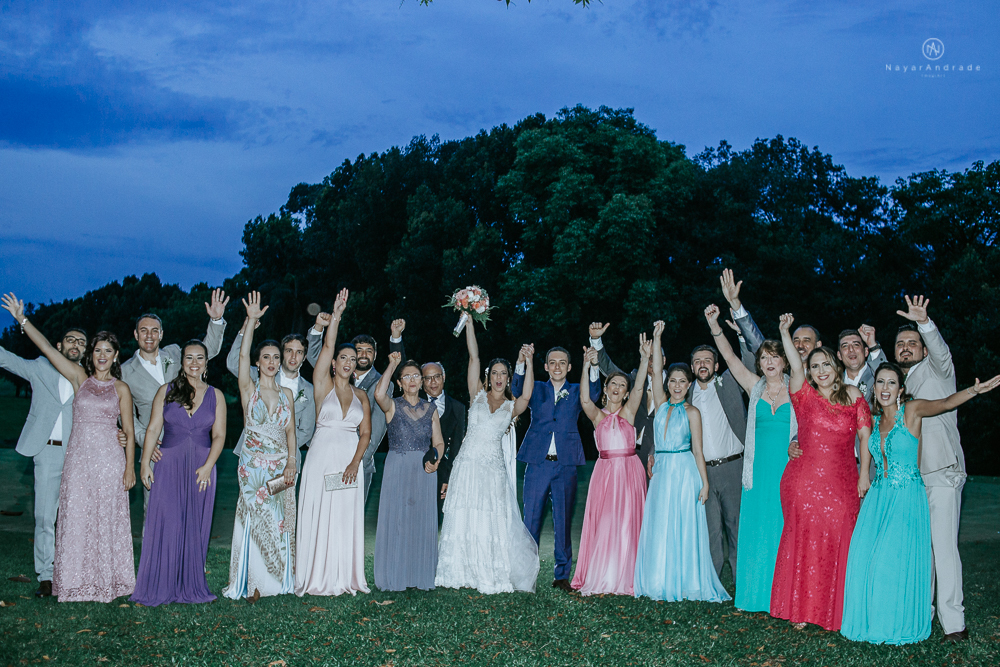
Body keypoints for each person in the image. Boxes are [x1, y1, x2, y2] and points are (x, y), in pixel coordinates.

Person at [841, 363, 1000, 645]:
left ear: (901, 390)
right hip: (878, 497)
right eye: (880, 382)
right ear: (874, 388)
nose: (885, 388)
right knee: (863, 558)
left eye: (892, 383)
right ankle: (873, 619)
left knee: (888, 561)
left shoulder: (911, 411)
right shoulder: (873, 421)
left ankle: (898, 622)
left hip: (906, 496)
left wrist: (974, 391)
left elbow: (946, 402)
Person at [2, 293, 137, 603]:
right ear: (88, 354)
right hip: (70, 457)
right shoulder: (80, 378)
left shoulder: (120, 387)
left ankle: (105, 579)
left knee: (101, 518)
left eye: (108, 350)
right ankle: (59, 579)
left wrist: (129, 463)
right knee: (63, 518)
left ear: (115, 355)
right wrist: (22, 319)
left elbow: (128, 429)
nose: (101, 355)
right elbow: (47, 348)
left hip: (105, 459)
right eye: (97, 350)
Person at [770, 313, 872, 631]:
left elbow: (866, 437)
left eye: (825, 364)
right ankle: (800, 608)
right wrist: (785, 332)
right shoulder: (804, 395)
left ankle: (833, 611)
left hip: (842, 481)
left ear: (836, 366)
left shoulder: (854, 396)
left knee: (838, 540)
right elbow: (794, 364)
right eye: (815, 366)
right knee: (804, 541)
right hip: (803, 481)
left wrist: (864, 473)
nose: (820, 371)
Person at [436, 319, 539, 594]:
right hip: (467, 465)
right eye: (494, 372)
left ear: (507, 378)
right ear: (488, 375)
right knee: (465, 515)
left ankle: (488, 569)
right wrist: (469, 322)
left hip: (493, 470)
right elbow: (473, 355)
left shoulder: (510, 407)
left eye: (503, 373)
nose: (498, 377)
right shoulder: (476, 396)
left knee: (489, 517)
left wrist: (528, 362)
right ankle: (459, 568)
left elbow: (527, 395)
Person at [704, 305, 795, 613]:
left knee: (783, 529)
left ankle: (783, 594)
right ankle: (755, 596)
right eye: (764, 358)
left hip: (787, 470)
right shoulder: (754, 387)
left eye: (774, 357)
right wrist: (715, 325)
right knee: (757, 530)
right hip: (756, 472)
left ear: (784, 361)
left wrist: (784, 333)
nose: (768, 362)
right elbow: (729, 357)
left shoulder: (797, 389)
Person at [633, 321, 729, 603]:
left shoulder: (692, 412)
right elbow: (657, 368)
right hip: (662, 473)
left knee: (684, 526)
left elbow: (698, 451)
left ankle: (686, 580)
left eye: (681, 381)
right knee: (661, 524)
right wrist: (657, 338)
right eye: (672, 380)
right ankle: (659, 579)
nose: (676, 385)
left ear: (688, 385)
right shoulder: (661, 404)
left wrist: (705, 484)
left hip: (685, 472)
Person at [893, 296, 969, 643]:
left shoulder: (939, 369)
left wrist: (925, 324)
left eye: (912, 344)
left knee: (943, 546)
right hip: (910, 478)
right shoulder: (898, 383)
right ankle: (922, 615)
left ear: (923, 350)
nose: (906, 348)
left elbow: (941, 352)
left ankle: (954, 625)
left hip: (941, 471)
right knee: (921, 548)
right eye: (901, 344)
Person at [131, 340, 227, 606]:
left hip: (202, 466)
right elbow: (152, 429)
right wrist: (144, 462)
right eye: (189, 358)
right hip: (169, 465)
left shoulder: (216, 395)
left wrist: (208, 465)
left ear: (206, 364)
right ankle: (161, 584)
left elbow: (219, 436)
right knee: (168, 522)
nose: (194, 363)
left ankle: (190, 584)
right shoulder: (167, 391)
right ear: (181, 362)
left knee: (194, 525)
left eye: (199, 358)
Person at [0, 324, 87, 598]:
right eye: (70, 339)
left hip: (78, 456)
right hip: (47, 452)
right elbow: (6, 359)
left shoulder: (89, 378)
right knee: (44, 516)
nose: (75, 344)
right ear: (59, 346)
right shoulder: (39, 367)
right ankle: (46, 577)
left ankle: (72, 573)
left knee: (74, 519)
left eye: (81, 342)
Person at [295, 288, 373, 597]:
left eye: (353, 359)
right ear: (334, 362)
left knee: (342, 516)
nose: (349, 362)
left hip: (348, 461)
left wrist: (354, 463)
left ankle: (342, 576)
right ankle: (317, 576)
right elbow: (327, 343)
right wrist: (336, 314)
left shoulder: (362, 396)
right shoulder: (321, 384)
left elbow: (365, 433)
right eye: (344, 357)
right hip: (322, 457)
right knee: (320, 511)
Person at [121, 290, 228, 511]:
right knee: (156, 513)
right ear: (135, 334)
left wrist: (215, 320)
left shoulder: (175, 353)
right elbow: (127, 417)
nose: (149, 336)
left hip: (190, 447)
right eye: (143, 331)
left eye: (154, 331)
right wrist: (145, 443)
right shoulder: (124, 372)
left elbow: (206, 352)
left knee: (189, 510)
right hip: (156, 450)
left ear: (161, 334)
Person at [222, 292, 297, 603]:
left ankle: (277, 580)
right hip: (252, 467)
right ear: (257, 362)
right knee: (254, 518)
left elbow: (291, 432)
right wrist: (251, 320)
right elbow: (239, 357)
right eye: (265, 357)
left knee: (278, 522)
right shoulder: (247, 388)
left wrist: (292, 461)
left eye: (276, 357)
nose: (271, 362)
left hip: (280, 465)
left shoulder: (287, 396)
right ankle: (251, 581)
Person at [512, 339, 600, 592]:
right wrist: (521, 362)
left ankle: (562, 576)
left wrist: (592, 366)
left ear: (570, 366)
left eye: (562, 362)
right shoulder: (536, 388)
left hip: (566, 463)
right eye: (553, 363)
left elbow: (593, 396)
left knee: (562, 520)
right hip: (538, 462)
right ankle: (525, 575)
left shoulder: (576, 390)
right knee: (532, 519)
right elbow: (517, 389)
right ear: (546, 367)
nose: (557, 366)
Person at [571, 337, 650, 596]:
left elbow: (640, 390)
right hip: (605, 474)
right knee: (605, 522)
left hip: (630, 471)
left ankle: (626, 575)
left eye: (622, 385)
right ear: (605, 389)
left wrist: (645, 358)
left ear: (626, 392)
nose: (617, 387)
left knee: (628, 522)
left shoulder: (628, 413)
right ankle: (603, 573)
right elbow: (584, 401)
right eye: (613, 383)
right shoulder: (599, 416)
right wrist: (584, 366)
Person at [307, 315, 404, 500]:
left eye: (369, 351)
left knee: (347, 520)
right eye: (359, 350)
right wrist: (318, 328)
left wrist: (356, 463)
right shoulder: (331, 378)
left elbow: (374, 432)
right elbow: (314, 356)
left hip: (357, 464)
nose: (364, 354)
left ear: (375, 355)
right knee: (324, 512)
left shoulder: (382, 385)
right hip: (325, 457)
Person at [373, 352, 445, 591]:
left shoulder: (431, 408)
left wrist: (435, 459)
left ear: (421, 381)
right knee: (398, 522)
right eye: (407, 377)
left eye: (416, 376)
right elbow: (378, 394)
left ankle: (419, 575)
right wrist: (392, 363)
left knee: (420, 524)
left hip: (424, 471)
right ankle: (396, 574)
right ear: (400, 382)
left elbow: (439, 443)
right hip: (398, 468)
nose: (413, 380)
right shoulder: (392, 405)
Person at [228, 322, 315, 471]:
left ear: (304, 356)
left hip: (287, 459)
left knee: (281, 494)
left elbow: (306, 431)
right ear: (281, 354)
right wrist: (244, 330)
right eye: (289, 351)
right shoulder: (259, 374)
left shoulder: (309, 390)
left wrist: (280, 447)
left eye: (299, 352)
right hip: (254, 454)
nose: (294, 356)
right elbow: (233, 363)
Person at [422, 361, 467, 511]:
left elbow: (456, 447)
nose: (433, 382)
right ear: (421, 381)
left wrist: (449, 479)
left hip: (442, 473)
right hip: (414, 469)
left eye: (437, 377)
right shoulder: (414, 404)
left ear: (444, 377)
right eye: (428, 378)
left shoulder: (458, 408)